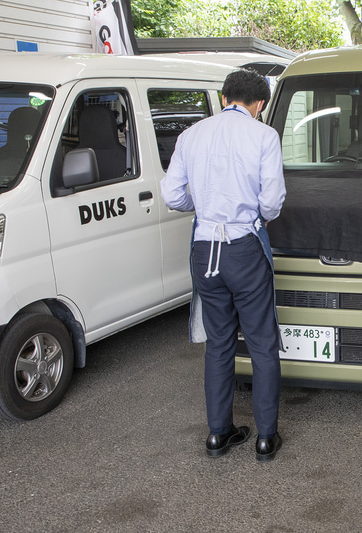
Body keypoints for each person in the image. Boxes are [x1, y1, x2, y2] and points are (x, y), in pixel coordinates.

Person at [160, 69, 286, 461]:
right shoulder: (264, 136)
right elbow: (272, 201)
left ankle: (218, 434)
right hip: (245, 247)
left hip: (204, 248)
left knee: (218, 344)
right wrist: (256, 216)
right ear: (260, 103)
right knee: (262, 344)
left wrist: (202, 207)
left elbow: (172, 196)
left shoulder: (190, 135)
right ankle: (266, 438)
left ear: (225, 96)